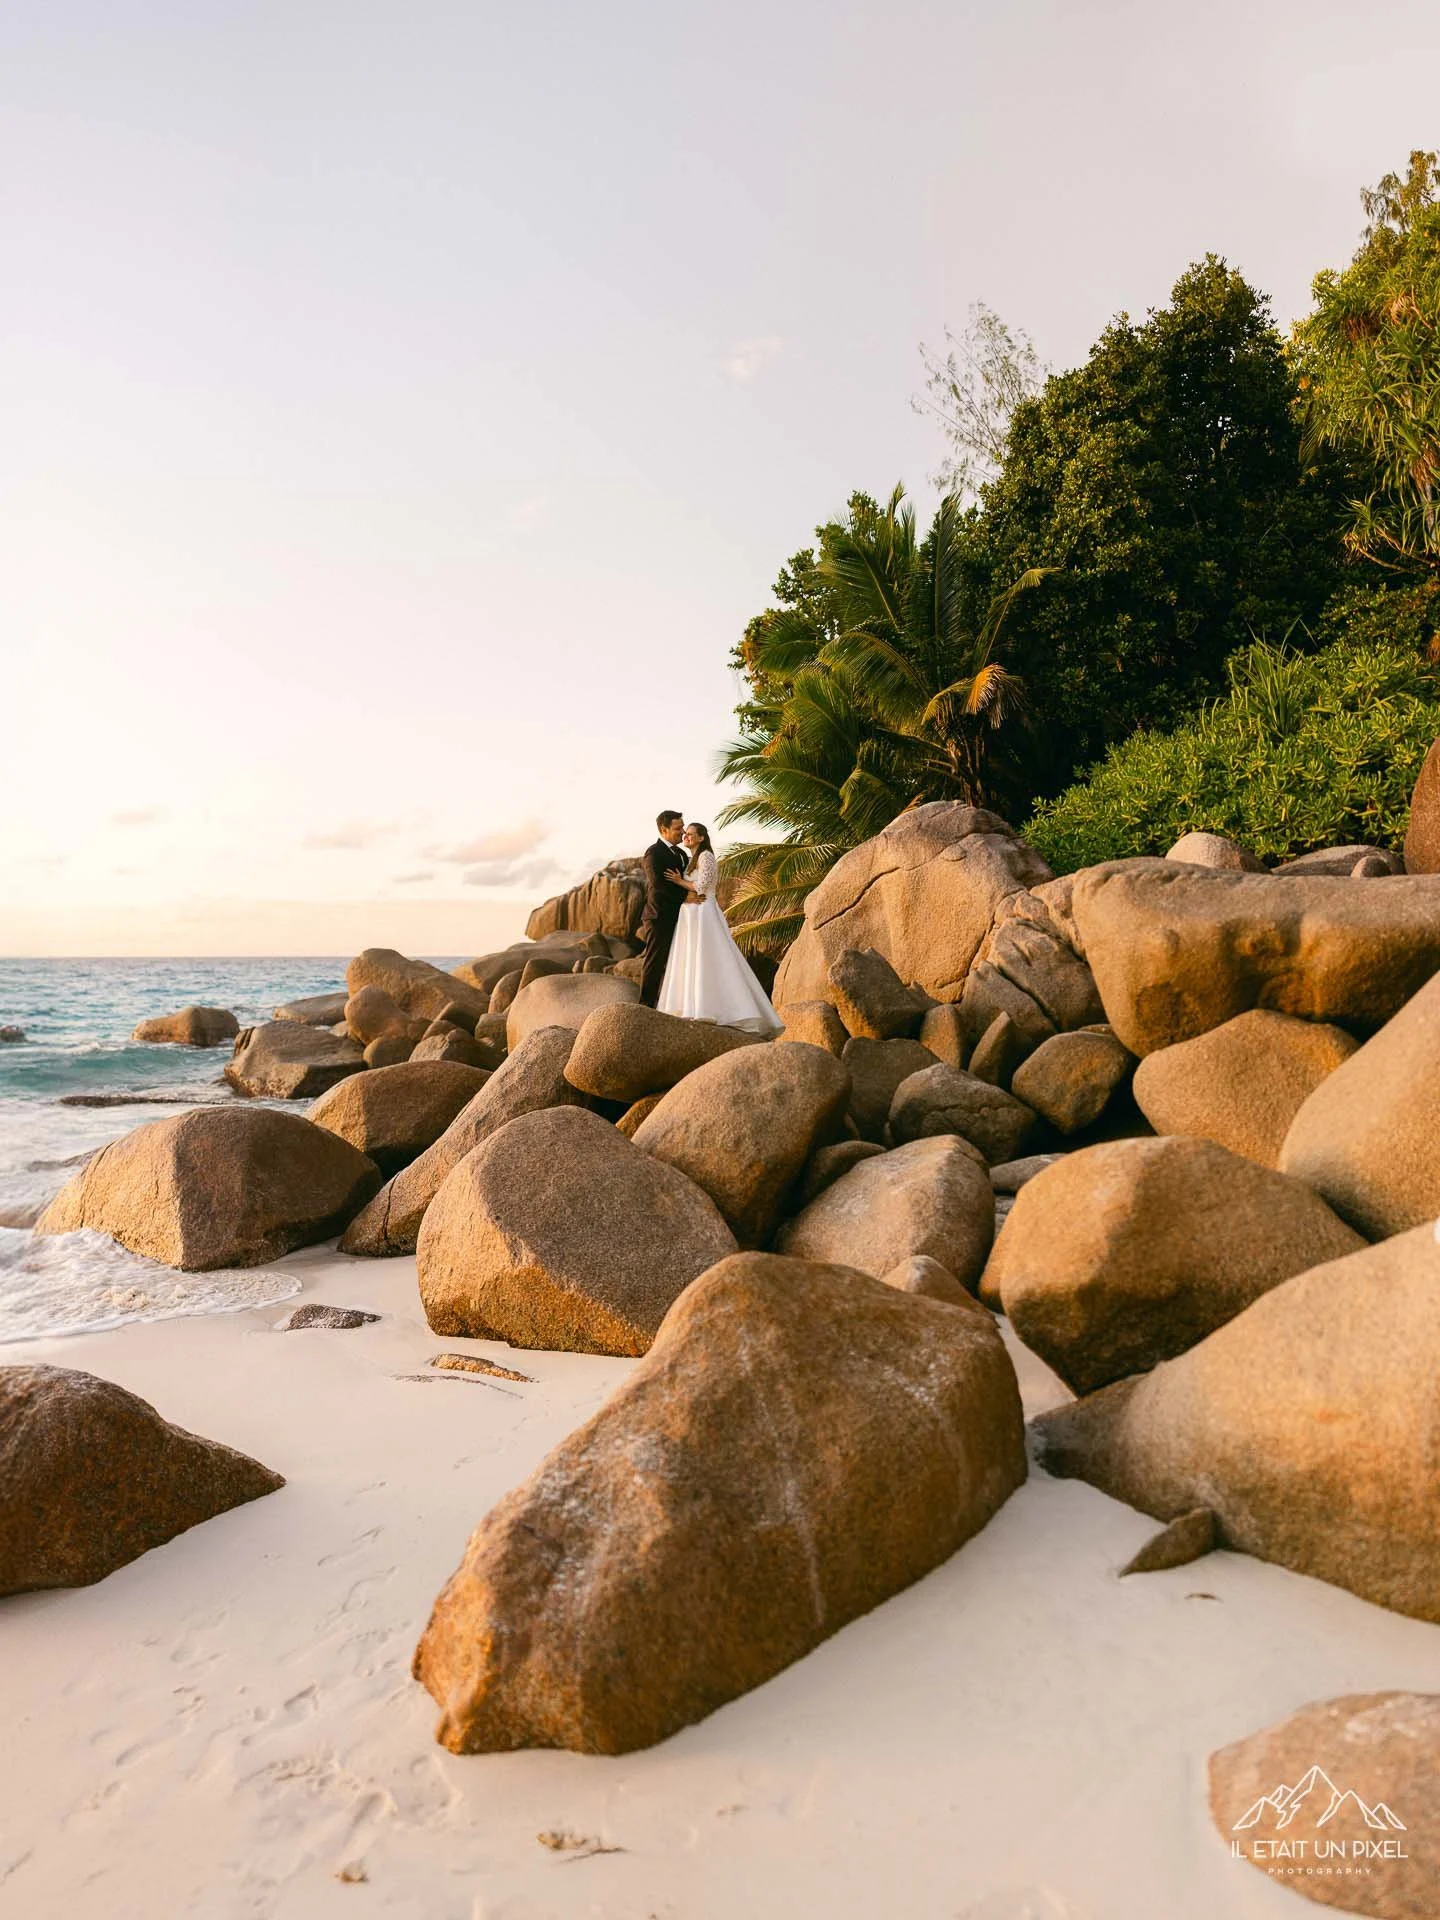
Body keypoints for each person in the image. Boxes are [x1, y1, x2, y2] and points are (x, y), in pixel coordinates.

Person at [657, 822, 783, 1032]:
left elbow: (702, 886)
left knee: (708, 958)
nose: (686, 836)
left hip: (704, 913)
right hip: (691, 915)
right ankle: (692, 1006)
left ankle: (714, 1008)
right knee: (692, 959)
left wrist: (679, 881)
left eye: (691, 834)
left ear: (701, 838)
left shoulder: (706, 856)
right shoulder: (691, 859)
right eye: (685, 833)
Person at [638, 809, 688, 1007]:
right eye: (678, 828)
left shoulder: (682, 854)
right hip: (659, 916)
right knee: (655, 961)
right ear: (663, 829)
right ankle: (646, 1004)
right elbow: (658, 882)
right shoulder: (653, 852)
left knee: (678, 961)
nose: (682, 831)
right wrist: (686, 896)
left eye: (683, 827)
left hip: (681, 916)